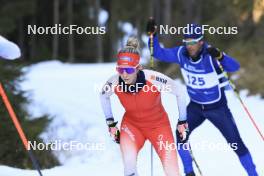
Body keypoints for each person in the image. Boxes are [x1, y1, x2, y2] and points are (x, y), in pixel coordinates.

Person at [146, 18, 259, 176]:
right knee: (180, 136)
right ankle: (189, 172)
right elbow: (157, 53)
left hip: (217, 108)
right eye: (187, 42)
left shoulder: (210, 54)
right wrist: (152, 36)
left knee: (236, 144)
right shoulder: (181, 53)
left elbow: (235, 66)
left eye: (193, 42)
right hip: (195, 107)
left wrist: (220, 56)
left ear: (201, 42)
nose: (190, 46)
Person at [99, 37, 187, 176]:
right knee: (129, 164)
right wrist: (110, 124)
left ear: (138, 68)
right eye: (120, 69)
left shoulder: (153, 79)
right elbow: (103, 96)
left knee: (172, 170)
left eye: (128, 70)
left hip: (159, 126)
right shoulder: (114, 81)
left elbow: (180, 92)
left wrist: (182, 121)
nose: (124, 74)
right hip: (132, 126)